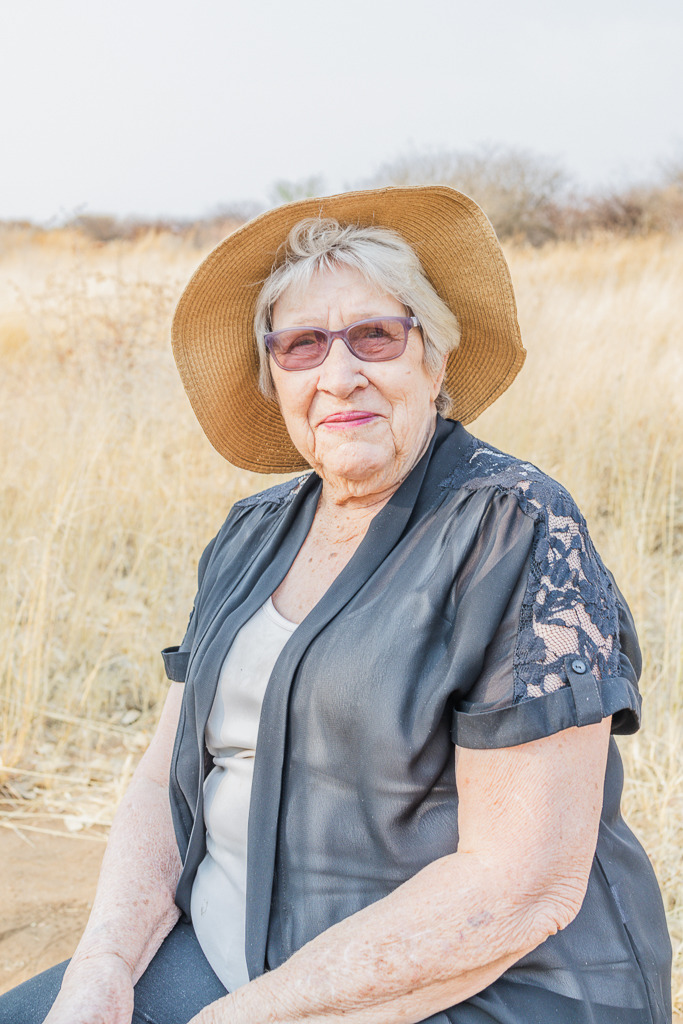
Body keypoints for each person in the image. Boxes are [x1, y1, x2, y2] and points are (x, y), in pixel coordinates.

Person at [1, 185, 671, 1024]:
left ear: (434, 359)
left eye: (375, 336)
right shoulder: (250, 535)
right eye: (303, 346)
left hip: (458, 993)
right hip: (225, 962)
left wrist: (250, 1015)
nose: (340, 373)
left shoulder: (515, 526)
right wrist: (101, 967)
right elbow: (161, 782)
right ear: (273, 376)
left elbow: (518, 885)